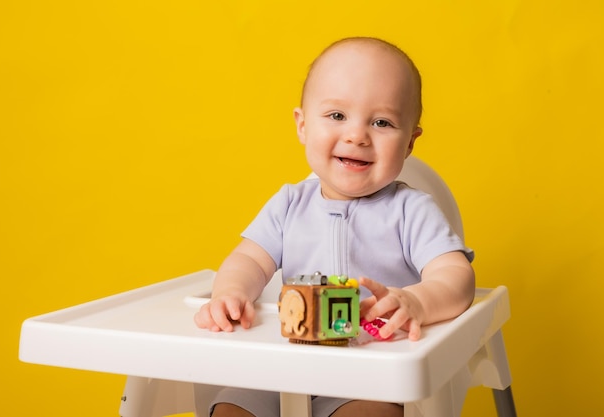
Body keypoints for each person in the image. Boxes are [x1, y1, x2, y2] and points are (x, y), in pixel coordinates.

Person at [194, 36, 475, 417]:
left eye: (382, 122)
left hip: (371, 375)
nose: (357, 135)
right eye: (337, 116)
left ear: (410, 143)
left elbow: (457, 276)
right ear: (303, 126)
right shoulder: (289, 205)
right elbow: (249, 259)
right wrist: (230, 293)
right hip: (284, 368)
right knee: (230, 407)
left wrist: (419, 302)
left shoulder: (411, 211)